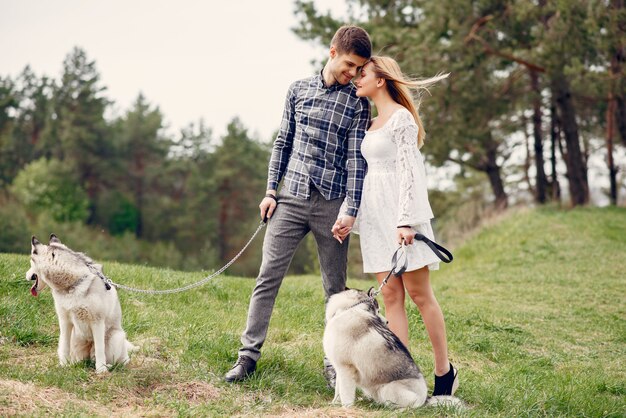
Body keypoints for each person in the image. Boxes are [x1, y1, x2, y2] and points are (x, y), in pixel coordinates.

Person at [224, 25, 372, 384]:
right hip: (289, 199)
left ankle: (334, 366)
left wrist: (350, 208)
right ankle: (247, 357)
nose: (352, 74)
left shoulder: (358, 103)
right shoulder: (297, 90)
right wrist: (270, 190)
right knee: (267, 278)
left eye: (359, 69)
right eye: (349, 64)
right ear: (333, 52)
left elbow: (356, 160)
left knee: (335, 290)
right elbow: (282, 142)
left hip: (332, 206)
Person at [331, 56, 458, 396]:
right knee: (390, 298)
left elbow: (410, 172)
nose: (356, 79)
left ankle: (444, 373)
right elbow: (362, 176)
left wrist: (406, 220)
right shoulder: (368, 123)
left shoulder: (401, 119)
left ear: (381, 80)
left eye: (363, 74)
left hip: (401, 217)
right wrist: (348, 214)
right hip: (374, 218)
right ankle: (401, 378)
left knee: (420, 295)